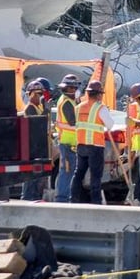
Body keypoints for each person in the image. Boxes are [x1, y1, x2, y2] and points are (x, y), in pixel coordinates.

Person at [72, 80, 113, 205]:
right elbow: (110, 125)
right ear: (99, 94)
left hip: (81, 145)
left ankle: (73, 199)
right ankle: (96, 202)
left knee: (79, 173)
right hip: (95, 146)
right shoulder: (100, 108)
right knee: (95, 175)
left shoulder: (78, 107)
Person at [54, 74, 81, 204]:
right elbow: (73, 122)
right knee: (67, 171)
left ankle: (63, 197)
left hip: (70, 141)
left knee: (67, 171)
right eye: (72, 88)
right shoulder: (66, 102)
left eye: (74, 88)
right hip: (68, 142)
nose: (74, 90)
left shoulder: (70, 101)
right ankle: (62, 198)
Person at [19, 80, 48, 201]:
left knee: (37, 176)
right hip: (31, 147)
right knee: (30, 175)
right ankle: (27, 198)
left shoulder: (37, 107)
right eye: (37, 94)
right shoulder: (30, 108)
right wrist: (46, 111)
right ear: (30, 94)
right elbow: (38, 124)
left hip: (37, 146)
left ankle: (34, 197)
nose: (40, 96)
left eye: (41, 94)